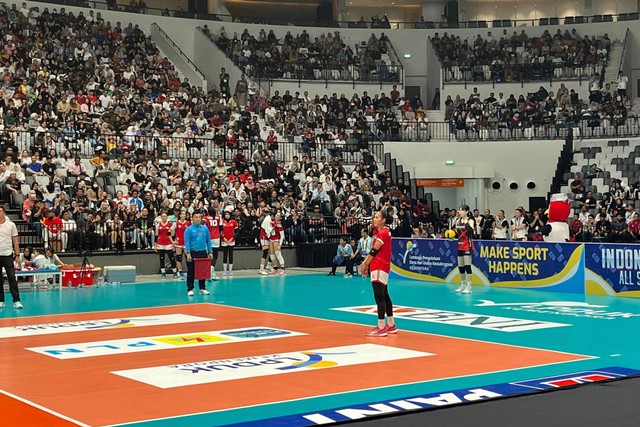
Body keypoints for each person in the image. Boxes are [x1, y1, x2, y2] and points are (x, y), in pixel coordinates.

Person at [360, 208, 397, 337]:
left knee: (379, 297)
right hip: (381, 266)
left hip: (379, 266)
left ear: (384, 220)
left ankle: (381, 327)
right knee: (385, 295)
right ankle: (391, 325)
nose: (374, 219)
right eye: (374, 217)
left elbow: (374, 251)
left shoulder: (383, 233)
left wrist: (365, 264)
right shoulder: (382, 232)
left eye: (376, 217)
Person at [184, 209, 213, 296]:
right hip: (192, 252)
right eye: (196, 217)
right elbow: (187, 242)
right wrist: (188, 253)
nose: (198, 219)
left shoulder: (205, 228)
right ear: (192, 218)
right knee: (191, 271)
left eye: (199, 217)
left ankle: (202, 288)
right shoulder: (188, 230)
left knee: (202, 271)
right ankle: (190, 288)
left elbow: (208, 240)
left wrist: (210, 252)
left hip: (203, 252)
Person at [0, 206, 22, 308]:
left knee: (12, 278)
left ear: (4, 213)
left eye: (0, 211)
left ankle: (16, 300)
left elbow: (15, 241)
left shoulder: (11, 225)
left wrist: (17, 255)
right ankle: (1, 300)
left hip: (8, 255)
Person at [454, 204, 475, 294]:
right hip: (460, 245)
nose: (460, 212)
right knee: (461, 267)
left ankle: (469, 286)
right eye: (459, 210)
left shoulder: (470, 221)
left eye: (462, 210)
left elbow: (472, 231)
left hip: (468, 245)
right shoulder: (457, 221)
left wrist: (466, 225)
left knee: (467, 266)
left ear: (466, 212)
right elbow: (456, 233)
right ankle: (462, 284)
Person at [155, 211, 177, 279]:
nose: (164, 218)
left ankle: (175, 272)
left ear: (167, 217)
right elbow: (156, 235)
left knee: (172, 258)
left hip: (168, 243)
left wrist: (173, 244)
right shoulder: (158, 225)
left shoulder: (170, 224)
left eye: (165, 216)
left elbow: (172, 234)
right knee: (161, 258)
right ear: (161, 218)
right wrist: (155, 245)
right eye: (162, 216)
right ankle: (163, 273)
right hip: (160, 243)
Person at [203, 206, 222, 281]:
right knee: (215, 255)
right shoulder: (218, 217)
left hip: (208, 238)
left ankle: (209, 273)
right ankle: (211, 271)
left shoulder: (206, 218)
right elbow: (221, 227)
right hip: (216, 238)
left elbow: (202, 225)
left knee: (209, 255)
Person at [171, 210, 190, 279]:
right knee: (179, 258)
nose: (184, 215)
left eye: (185, 214)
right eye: (183, 214)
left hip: (186, 243)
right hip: (179, 243)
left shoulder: (188, 223)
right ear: (180, 215)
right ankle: (180, 272)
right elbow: (169, 232)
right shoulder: (176, 223)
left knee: (188, 257)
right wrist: (173, 241)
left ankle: (190, 271)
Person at [221, 210, 238, 277]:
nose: (227, 215)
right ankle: (225, 271)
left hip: (231, 241)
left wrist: (232, 238)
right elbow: (220, 232)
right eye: (226, 214)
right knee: (225, 255)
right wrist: (224, 239)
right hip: (224, 241)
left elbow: (237, 232)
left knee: (231, 255)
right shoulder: (222, 222)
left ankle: (230, 271)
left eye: (228, 214)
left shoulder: (234, 222)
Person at [268, 211, 287, 275]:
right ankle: (275, 269)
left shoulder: (280, 225)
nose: (276, 216)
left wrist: (280, 244)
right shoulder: (272, 223)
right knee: (272, 255)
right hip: (271, 240)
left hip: (276, 240)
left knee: (278, 254)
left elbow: (282, 236)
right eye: (276, 215)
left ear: (280, 218)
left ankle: (283, 269)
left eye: (278, 216)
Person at [258, 206, 273, 275]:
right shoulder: (268, 219)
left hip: (267, 237)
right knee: (265, 252)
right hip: (264, 237)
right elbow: (268, 230)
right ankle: (261, 269)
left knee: (271, 251)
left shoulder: (269, 219)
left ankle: (269, 265)